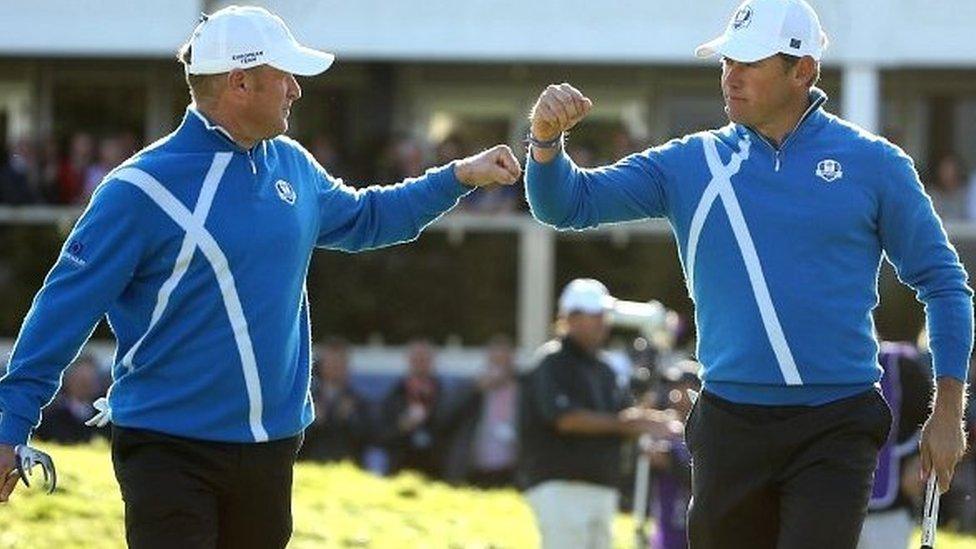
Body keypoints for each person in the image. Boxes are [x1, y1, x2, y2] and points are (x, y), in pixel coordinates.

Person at [0, 5, 520, 548]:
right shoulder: (139, 188)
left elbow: (366, 217)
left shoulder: (291, 164)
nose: (296, 89)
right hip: (168, 447)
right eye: (284, 75)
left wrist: (458, 177)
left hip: (272, 447)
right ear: (240, 82)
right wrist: (11, 423)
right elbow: (63, 308)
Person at [523, 1, 972, 547]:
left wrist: (948, 410)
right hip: (729, 423)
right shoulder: (692, 162)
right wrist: (545, 143)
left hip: (837, 422)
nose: (730, 78)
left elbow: (944, 284)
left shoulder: (875, 164)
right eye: (726, 61)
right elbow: (567, 203)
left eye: (749, 63)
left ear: (802, 70)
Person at [519, 279, 672, 549]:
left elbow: (626, 415)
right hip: (562, 487)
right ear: (570, 317)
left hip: (601, 486)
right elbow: (567, 420)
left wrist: (652, 419)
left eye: (604, 314)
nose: (603, 321)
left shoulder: (606, 369)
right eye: (595, 314)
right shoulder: (551, 362)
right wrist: (627, 424)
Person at [856, 341, 931, 549]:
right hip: (826, 505)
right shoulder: (816, 364)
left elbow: (931, 419)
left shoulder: (902, 366)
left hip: (890, 509)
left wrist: (918, 460)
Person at [442, 334, 521, 487]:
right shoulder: (471, 387)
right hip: (475, 472)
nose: (499, 365)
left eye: (503, 360)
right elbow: (445, 417)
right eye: (495, 360)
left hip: (513, 473)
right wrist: (475, 390)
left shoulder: (524, 389)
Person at [298, 337, 371, 464]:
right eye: (331, 362)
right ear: (321, 365)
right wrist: (312, 422)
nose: (335, 367)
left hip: (346, 469)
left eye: (340, 363)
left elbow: (369, 439)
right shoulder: (306, 400)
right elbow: (294, 440)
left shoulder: (358, 400)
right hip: (313, 467)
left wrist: (350, 419)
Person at [34, 354, 109, 444]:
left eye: (90, 381)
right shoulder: (50, 417)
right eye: (81, 381)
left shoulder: (105, 418)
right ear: (69, 380)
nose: (85, 386)